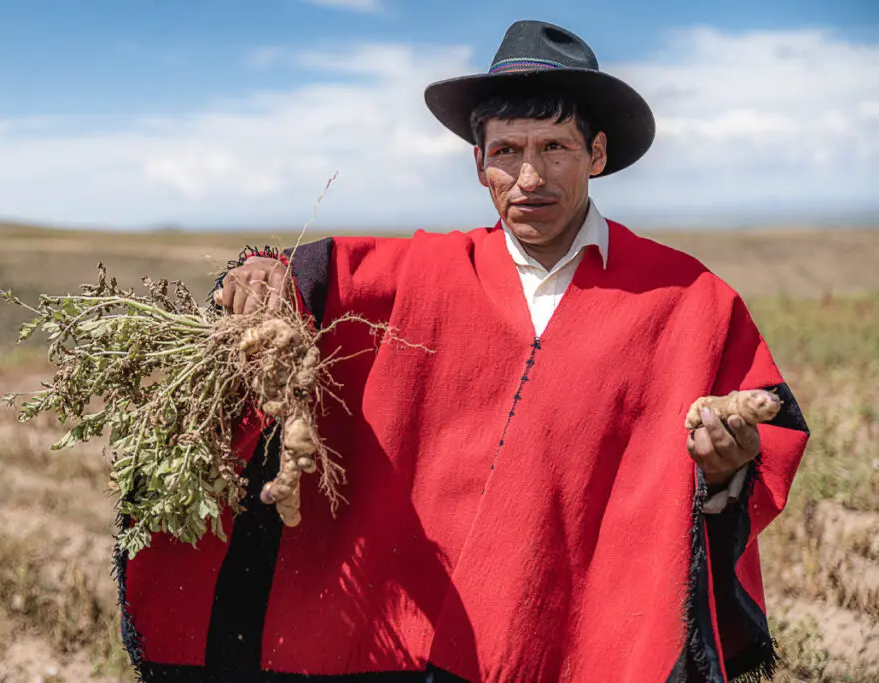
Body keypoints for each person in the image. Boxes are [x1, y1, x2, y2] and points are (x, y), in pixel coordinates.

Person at [118, 20, 809, 683]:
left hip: (572, 639)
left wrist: (727, 471)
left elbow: (766, 432)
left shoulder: (690, 300)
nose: (529, 177)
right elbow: (303, 277)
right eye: (507, 151)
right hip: (403, 638)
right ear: (479, 164)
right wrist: (258, 274)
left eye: (554, 148)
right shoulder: (425, 271)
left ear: (597, 154)